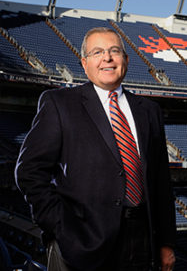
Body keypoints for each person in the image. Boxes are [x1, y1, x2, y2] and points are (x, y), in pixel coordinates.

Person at [15, 27, 176, 271]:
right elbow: (29, 171)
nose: (107, 58)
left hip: (143, 241)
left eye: (114, 51)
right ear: (84, 62)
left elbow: (161, 181)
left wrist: (166, 242)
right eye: (97, 52)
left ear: (126, 60)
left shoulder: (149, 110)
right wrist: (61, 227)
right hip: (82, 241)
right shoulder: (60, 104)